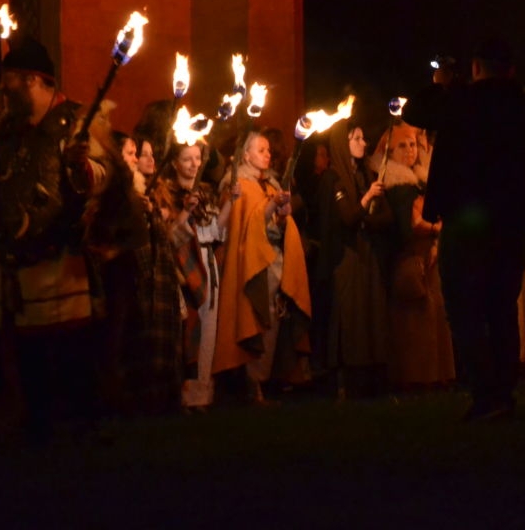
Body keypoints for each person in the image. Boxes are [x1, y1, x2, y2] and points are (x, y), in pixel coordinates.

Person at [403, 39, 525, 421]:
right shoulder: (524, 106)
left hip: (467, 220)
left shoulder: (464, 101)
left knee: (465, 308)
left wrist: (443, 83)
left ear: (476, 68)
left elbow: (414, 111)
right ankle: (504, 392)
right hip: (513, 219)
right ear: (511, 70)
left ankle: (485, 393)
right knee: (501, 308)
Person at [0, 37, 108, 441]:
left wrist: (82, 166)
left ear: (33, 80)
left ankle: (80, 424)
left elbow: (106, 178)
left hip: (65, 260)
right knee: (29, 350)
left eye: (9, 80)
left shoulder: (77, 120)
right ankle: (37, 423)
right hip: (20, 258)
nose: (2, 88)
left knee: (70, 348)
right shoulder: (8, 128)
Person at [212, 132, 312, 403]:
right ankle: (251, 384)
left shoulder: (270, 185)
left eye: (268, 150)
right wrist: (271, 206)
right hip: (251, 265)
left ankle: (264, 381)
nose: (268, 154)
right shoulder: (239, 186)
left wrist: (283, 216)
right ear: (245, 155)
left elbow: (275, 224)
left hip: (275, 260)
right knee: (254, 317)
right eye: (261, 150)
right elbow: (246, 226)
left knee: (274, 320)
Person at [155, 141, 235, 410]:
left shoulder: (206, 192)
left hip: (206, 261)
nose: (193, 164)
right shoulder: (167, 192)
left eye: (197, 158)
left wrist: (231, 202)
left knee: (209, 329)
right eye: (187, 158)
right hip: (183, 265)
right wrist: (186, 209)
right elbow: (171, 235)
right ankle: (184, 397)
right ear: (174, 163)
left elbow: (214, 232)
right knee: (190, 330)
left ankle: (202, 395)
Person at [375, 122, 454, 389]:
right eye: (402, 145)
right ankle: (417, 376)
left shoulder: (417, 179)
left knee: (433, 315)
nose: (409, 150)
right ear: (390, 151)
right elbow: (411, 224)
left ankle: (435, 374)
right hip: (410, 256)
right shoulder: (399, 185)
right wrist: (437, 228)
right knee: (416, 319)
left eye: (412, 144)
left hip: (426, 253)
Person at [315, 122, 391, 398]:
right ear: (342, 143)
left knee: (370, 314)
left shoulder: (366, 174)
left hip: (366, 254)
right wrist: (367, 198)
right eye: (356, 138)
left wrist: (366, 219)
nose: (363, 143)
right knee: (348, 315)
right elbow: (346, 217)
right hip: (344, 256)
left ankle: (371, 380)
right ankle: (344, 381)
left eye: (363, 137)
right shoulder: (332, 178)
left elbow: (387, 217)